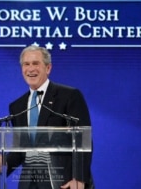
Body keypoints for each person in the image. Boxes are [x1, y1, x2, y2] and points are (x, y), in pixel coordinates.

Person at [6, 45, 94, 189]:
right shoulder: (17, 106)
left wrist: (79, 178)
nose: (30, 69)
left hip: (62, 181)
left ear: (48, 68)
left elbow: (82, 140)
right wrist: (0, 165)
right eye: (26, 64)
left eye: (36, 63)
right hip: (29, 184)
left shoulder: (69, 96)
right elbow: (20, 150)